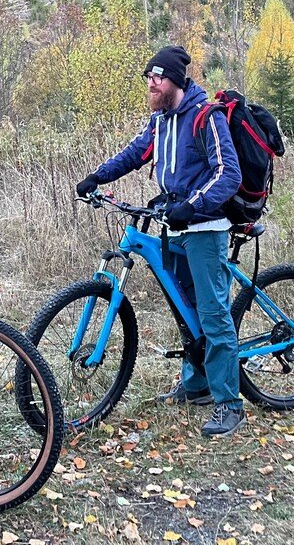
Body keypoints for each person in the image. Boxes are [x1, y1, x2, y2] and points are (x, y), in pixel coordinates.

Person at [75, 45, 247, 437]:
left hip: (205, 229)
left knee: (213, 313)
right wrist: (97, 177)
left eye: (158, 78)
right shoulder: (161, 121)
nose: (151, 84)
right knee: (185, 308)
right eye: (148, 77)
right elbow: (135, 154)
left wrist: (195, 205)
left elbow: (228, 174)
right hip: (173, 224)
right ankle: (197, 384)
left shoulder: (206, 117)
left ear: (175, 81)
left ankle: (230, 404)